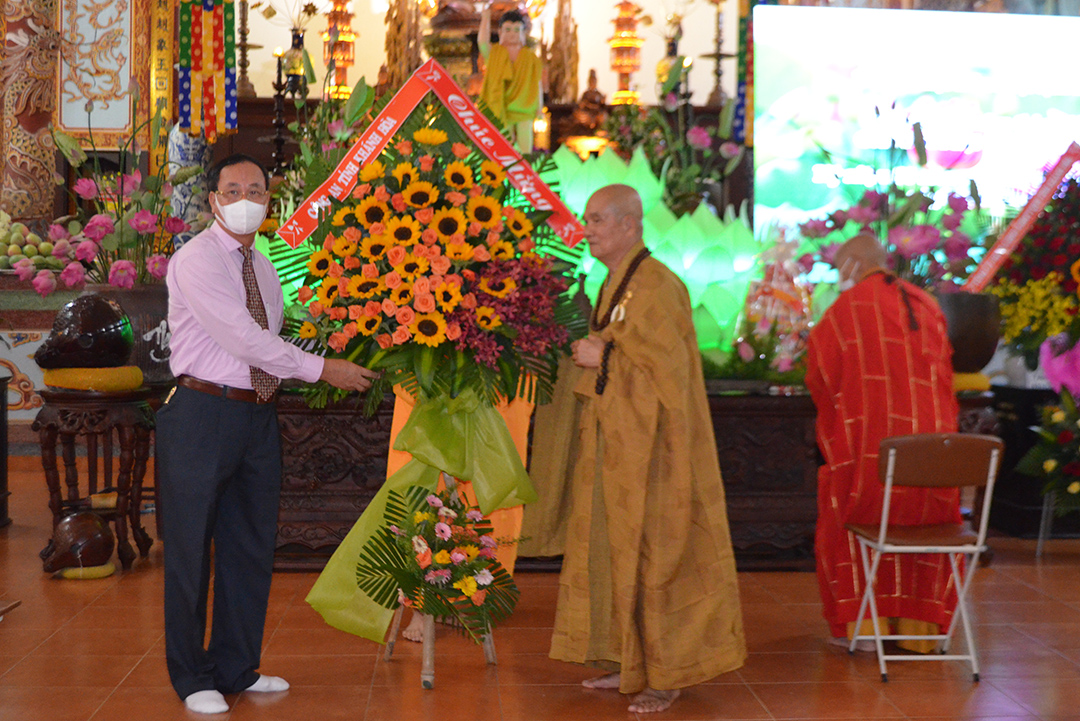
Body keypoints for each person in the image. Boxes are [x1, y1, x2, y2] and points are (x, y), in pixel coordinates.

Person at [157, 154, 378, 715]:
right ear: (213, 200)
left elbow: (276, 336)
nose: (245, 198)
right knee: (190, 551)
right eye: (233, 189)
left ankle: (235, 664)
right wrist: (324, 368)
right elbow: (245, 340)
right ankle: (191, 676)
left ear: (269, 200)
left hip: (255, 414)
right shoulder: (197, 260)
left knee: (249, 545)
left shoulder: (263, 264)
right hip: (202, 412)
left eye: (256, 189)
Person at [549, 184, 746, 714]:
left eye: (595, 220)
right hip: (619, 449)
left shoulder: (659, 285)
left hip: (660, 452)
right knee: (615, 552)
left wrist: (604, 357)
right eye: (586, 220)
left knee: (660, 555)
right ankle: (628, 659)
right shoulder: (616, 280)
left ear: (628, 224)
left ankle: (667, 674)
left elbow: (670, 376)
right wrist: (600, 355)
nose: (586, 229)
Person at [805, 232, 961, 653]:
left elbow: (820, 376)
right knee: (928, 522)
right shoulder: (927, 303)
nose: (838, 277)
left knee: (849, 506)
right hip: (935, 460)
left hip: (874, 457)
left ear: (853, 266)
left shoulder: (844, 311)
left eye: (839, 269)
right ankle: (921, 633)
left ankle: (867, 629)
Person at [478, 5, 543, 152]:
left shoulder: (530, 57)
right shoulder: (495, 53)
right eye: (507, 30)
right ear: (500, 32)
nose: (512, 34)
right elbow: (482, 42)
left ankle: (525, 171)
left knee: (525, 147)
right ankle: (501, 171)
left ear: (523, 33)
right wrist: (486, 17)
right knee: (502, 147)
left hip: (524, 106)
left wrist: (539, 109)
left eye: (517, 30)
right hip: (500, 106)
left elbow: (536, 83)